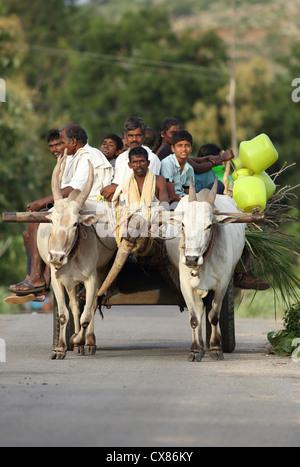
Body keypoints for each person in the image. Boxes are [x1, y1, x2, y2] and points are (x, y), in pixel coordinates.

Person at [9, 124, 113, 296]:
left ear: (73, 141)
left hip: (91, 205)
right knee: (29, 233)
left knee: (37, 219)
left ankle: (37, 278)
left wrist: (40, 202)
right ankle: (38, 277)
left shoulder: (89, 156)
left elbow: (73, 189)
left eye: (62, 142)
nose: (60, 146)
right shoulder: (73, 157)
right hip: (74, 204)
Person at [101, 116, 161, 202]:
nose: (134, 139)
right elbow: (116, 182)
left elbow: (147, 187)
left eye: (138, 135)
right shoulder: (121, 158)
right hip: (121, 205)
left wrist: (116, 188)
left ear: (144, 136)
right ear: (125, 137)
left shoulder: (152, 158)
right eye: (131, 136)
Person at [160, 130, 194, 203]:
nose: (184, 149)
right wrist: (186, 201)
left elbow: (189, 192)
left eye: (187, 145)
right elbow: (171, 195)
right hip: (171, 201)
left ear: (191, 149)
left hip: (183, 199)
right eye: (180, 145)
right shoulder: (167, 163)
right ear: (172, 148)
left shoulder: (189, 168)